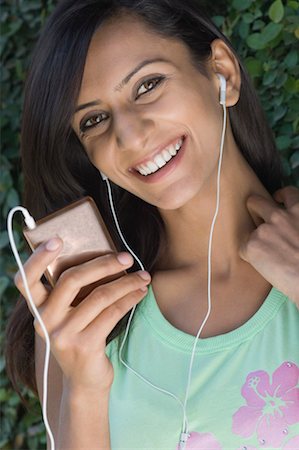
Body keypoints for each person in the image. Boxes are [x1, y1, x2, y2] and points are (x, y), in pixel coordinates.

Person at [5, 0, 299, 449]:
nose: (130, 136)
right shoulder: (85, 320)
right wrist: (83, 389)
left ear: (223, 72)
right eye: (95, 119)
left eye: (147, 85)